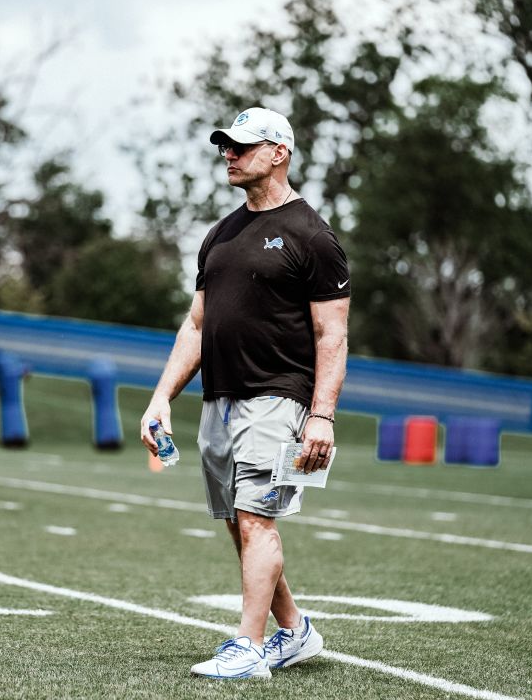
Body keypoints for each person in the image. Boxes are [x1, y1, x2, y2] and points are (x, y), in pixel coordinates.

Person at [140, 107, 350, 680]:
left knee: (257, 517)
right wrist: (163, 397)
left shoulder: (313, 235)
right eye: (225, 147)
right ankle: (296, 632)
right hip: (219, 396)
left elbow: (333, 333)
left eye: (241, 146)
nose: (228, 154)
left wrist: (322, 417)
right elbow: (197, 325)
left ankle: (248, 648)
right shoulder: (220, 234)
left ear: (278, 153)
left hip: (278, 396)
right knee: (240, 519)